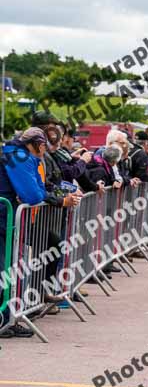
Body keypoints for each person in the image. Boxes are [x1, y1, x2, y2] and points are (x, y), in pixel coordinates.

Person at [0, 128, 81, 337]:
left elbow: (39, 188)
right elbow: (33, 195)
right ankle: (4, 319)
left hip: (9, 221)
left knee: (11, 269)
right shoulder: (18, 157)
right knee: (6, 270)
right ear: (35, 143)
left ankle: (9, 317)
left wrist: (57, 197)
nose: (46, 148)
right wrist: (57, 199)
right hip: (4, 219)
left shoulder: (24, 156)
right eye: (43, 144)